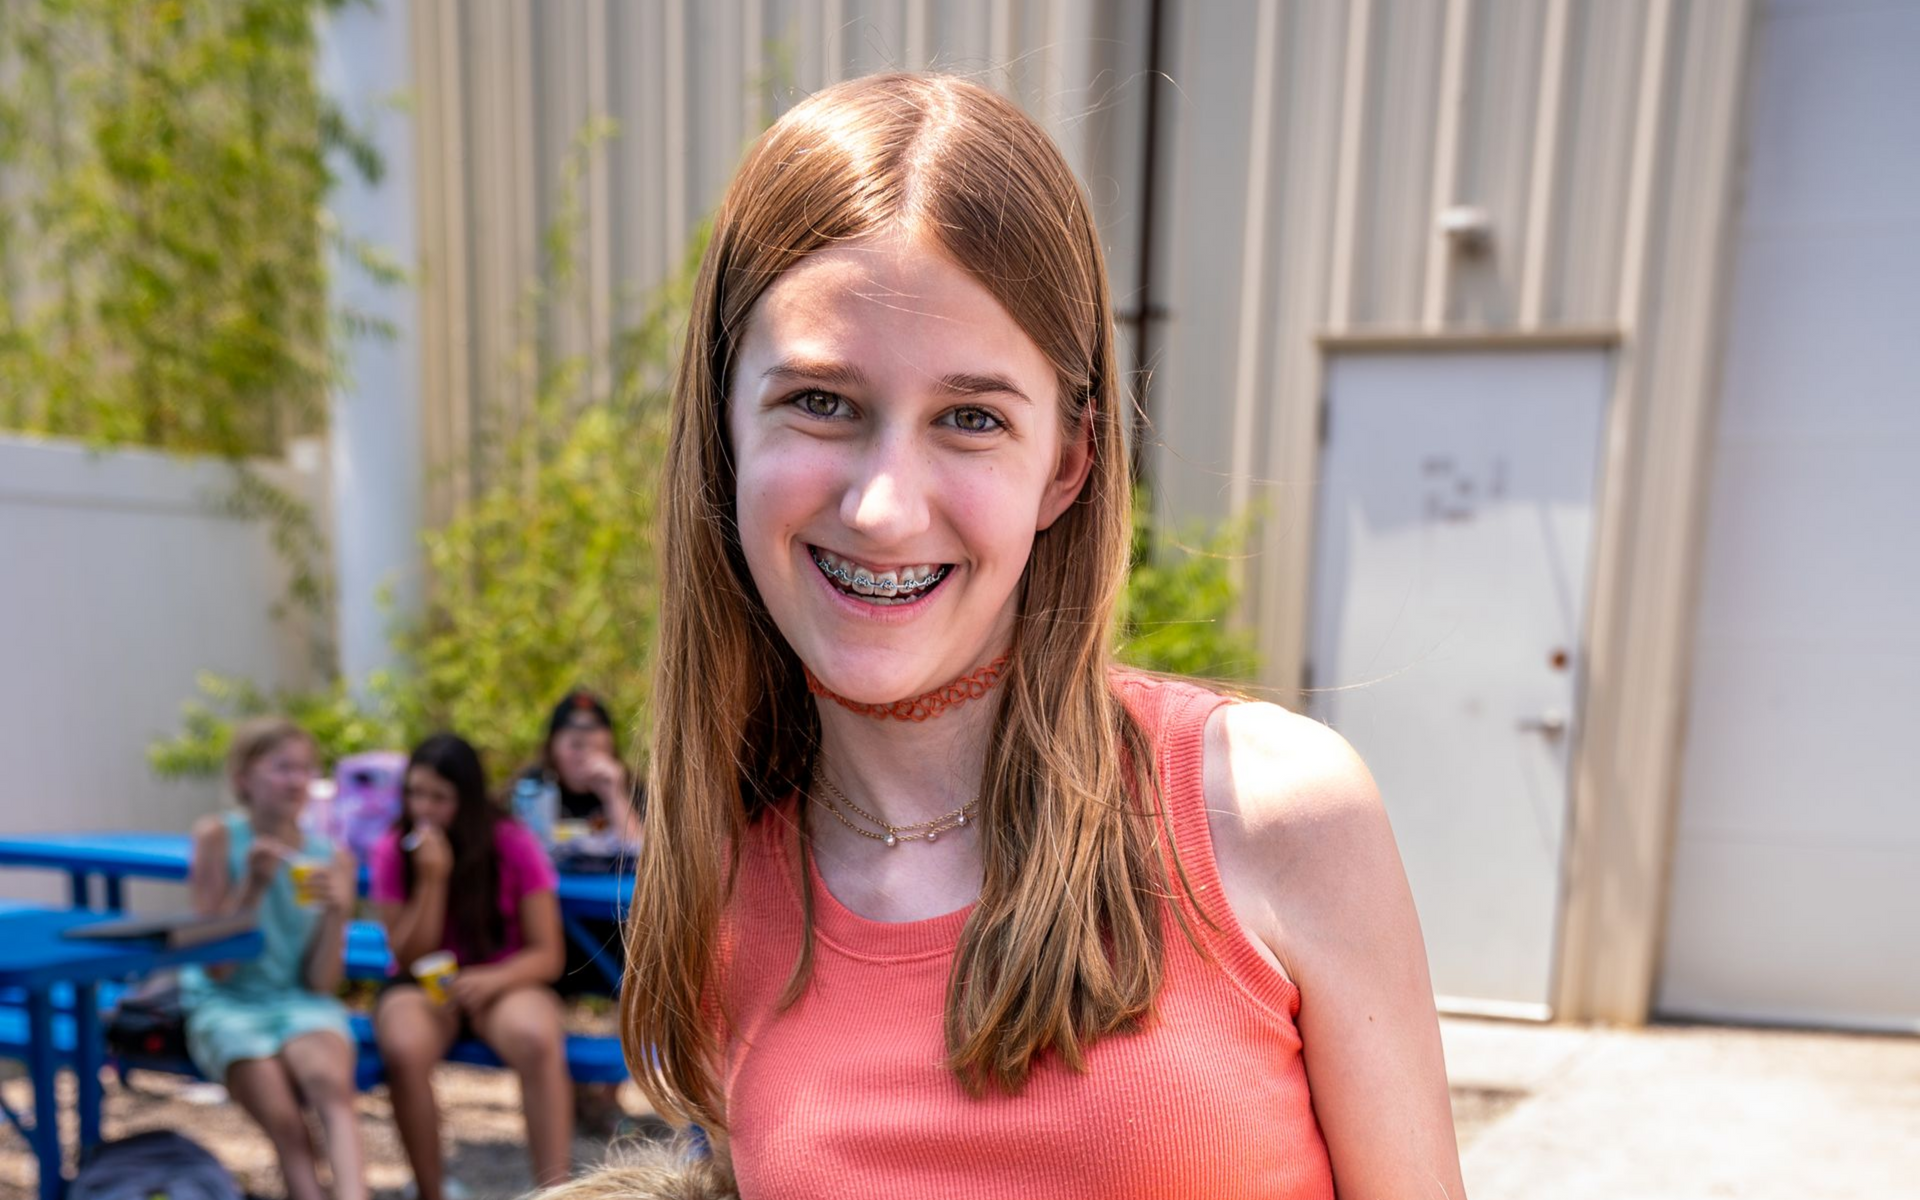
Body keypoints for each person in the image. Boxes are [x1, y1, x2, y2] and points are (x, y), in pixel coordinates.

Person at [618, 71, 1466, 1198]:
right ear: (725, 428)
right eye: (821, 401)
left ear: (1066, 462)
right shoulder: (722, 883)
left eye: (970, 419)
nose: (882, 506)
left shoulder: (1273, 814)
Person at [370, 734, 574, 1199]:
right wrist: (431, 880)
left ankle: (555, 1191)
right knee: (402, 1048)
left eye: (439, 797)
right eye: (415, 793)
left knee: (537, 1038)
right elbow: (406, 955)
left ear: (467, 799)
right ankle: (431, 1190)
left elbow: (548, 955)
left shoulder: (513, 843)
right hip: (419, 987)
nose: (423, 808)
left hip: (502, 982)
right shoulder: (391, 848)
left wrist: (492, 979)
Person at [182, 717, 365, 1200]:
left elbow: (322, 983)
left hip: (299, 1001)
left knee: (333, 1090)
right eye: (282, 767)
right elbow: (216, 967)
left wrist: (339, 913)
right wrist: (252, 888)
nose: (296, 780)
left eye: (305, 769)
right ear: (243, 777)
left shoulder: (330, 856)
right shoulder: (217, 837)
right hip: (227, 1002)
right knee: (286, 1125)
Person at [516, 689, 643, 844]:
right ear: (552, 748)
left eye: (594, 747)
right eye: (575, 746)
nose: (583, 757)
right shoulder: (531, 791)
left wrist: (615, 795)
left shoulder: (637, 792)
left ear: (610, 747)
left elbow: (643, 854)